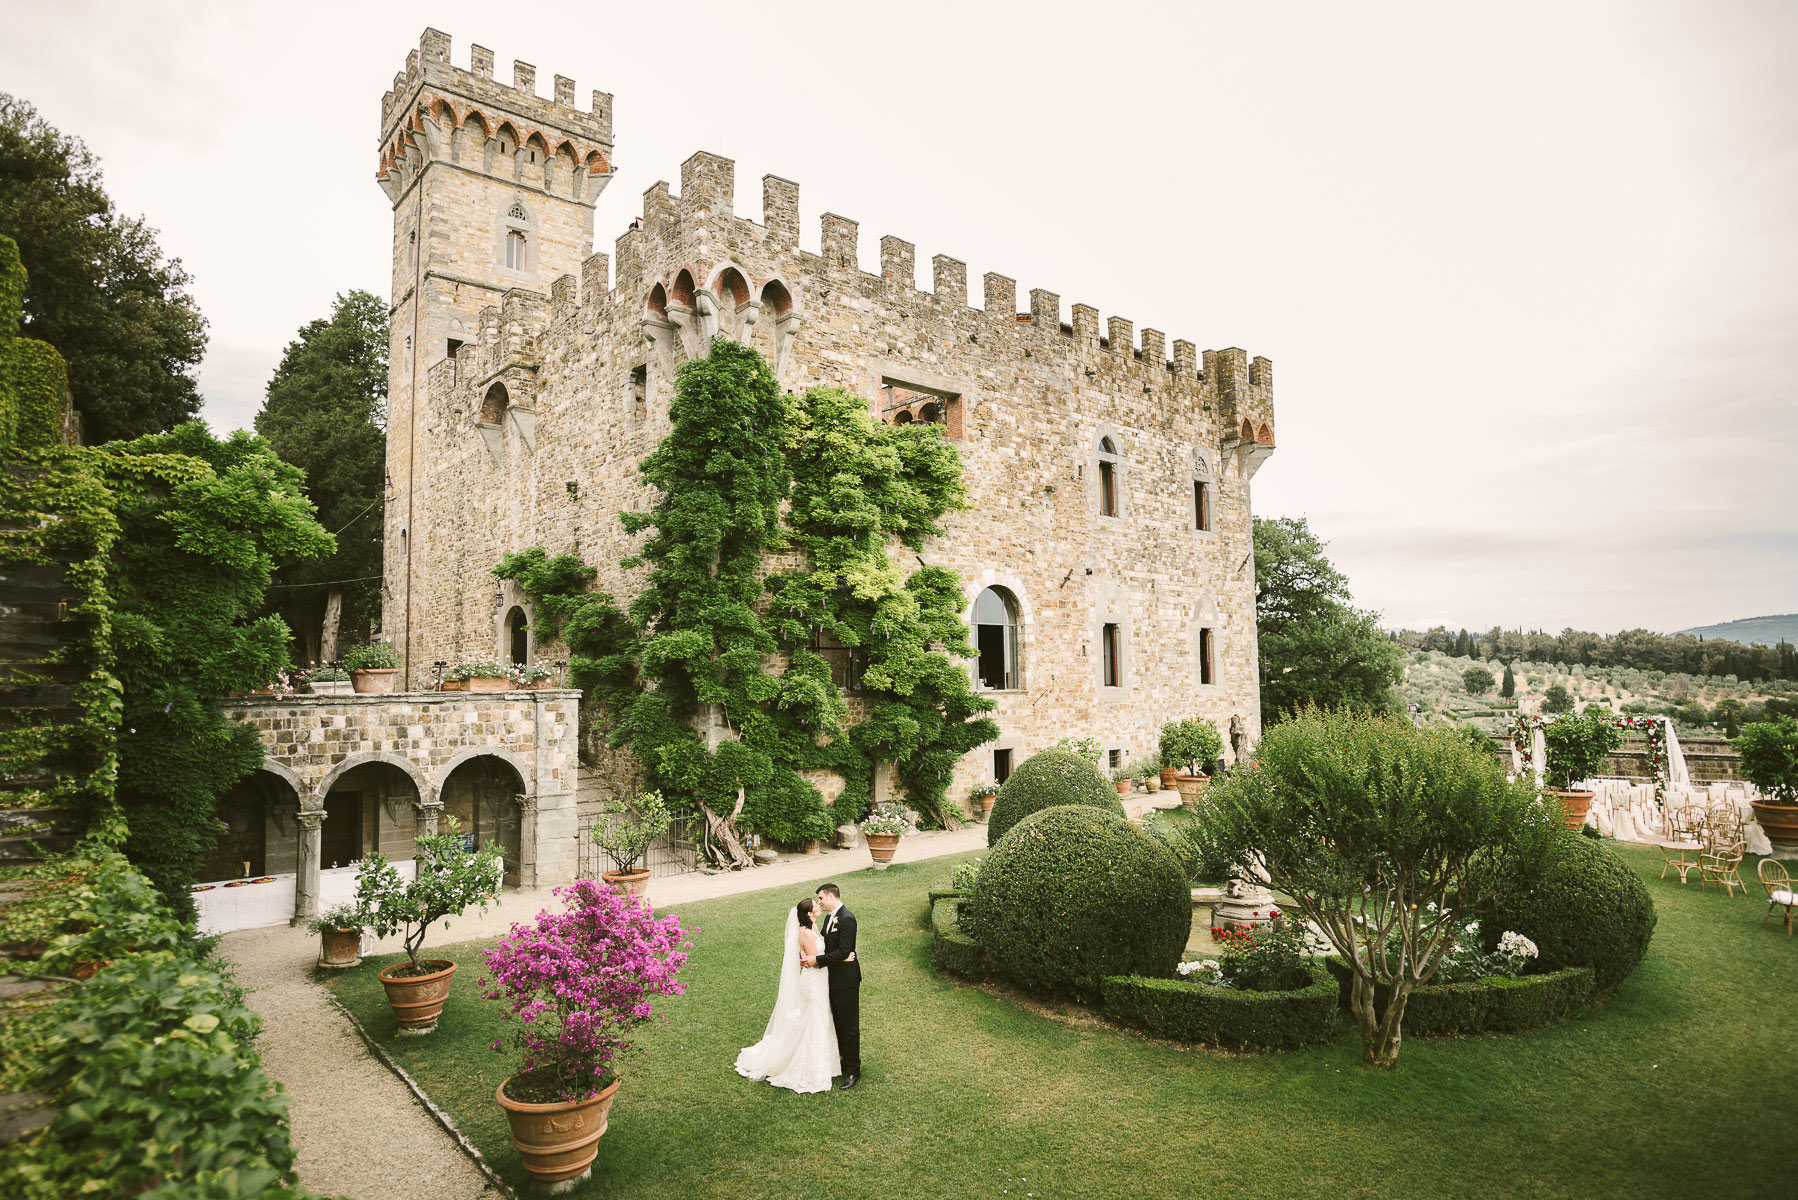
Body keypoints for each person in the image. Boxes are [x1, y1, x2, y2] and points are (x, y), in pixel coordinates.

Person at [733, 897, 844, 1094]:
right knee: (813, 1019)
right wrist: (841, 957)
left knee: (818, 1018)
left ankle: (826, 1064)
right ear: (809, 913)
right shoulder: (806, 933)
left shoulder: (813, 928)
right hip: (814, 981)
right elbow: (814, 961)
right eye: (815, 905)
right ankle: (809, 1068)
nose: (818, 906)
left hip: (819, 980)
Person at [803, 882, 861, 1089]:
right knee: (837, 1023)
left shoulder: (847, 918)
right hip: (831, 980)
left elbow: (845, 950)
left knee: (849, 1026)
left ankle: (854, 1071)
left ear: (830, 896)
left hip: (846, 982)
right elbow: (830, 948)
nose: (819, 902)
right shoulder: (829, 918)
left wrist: (818, 961)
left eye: (820, 898)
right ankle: (844, 1061)